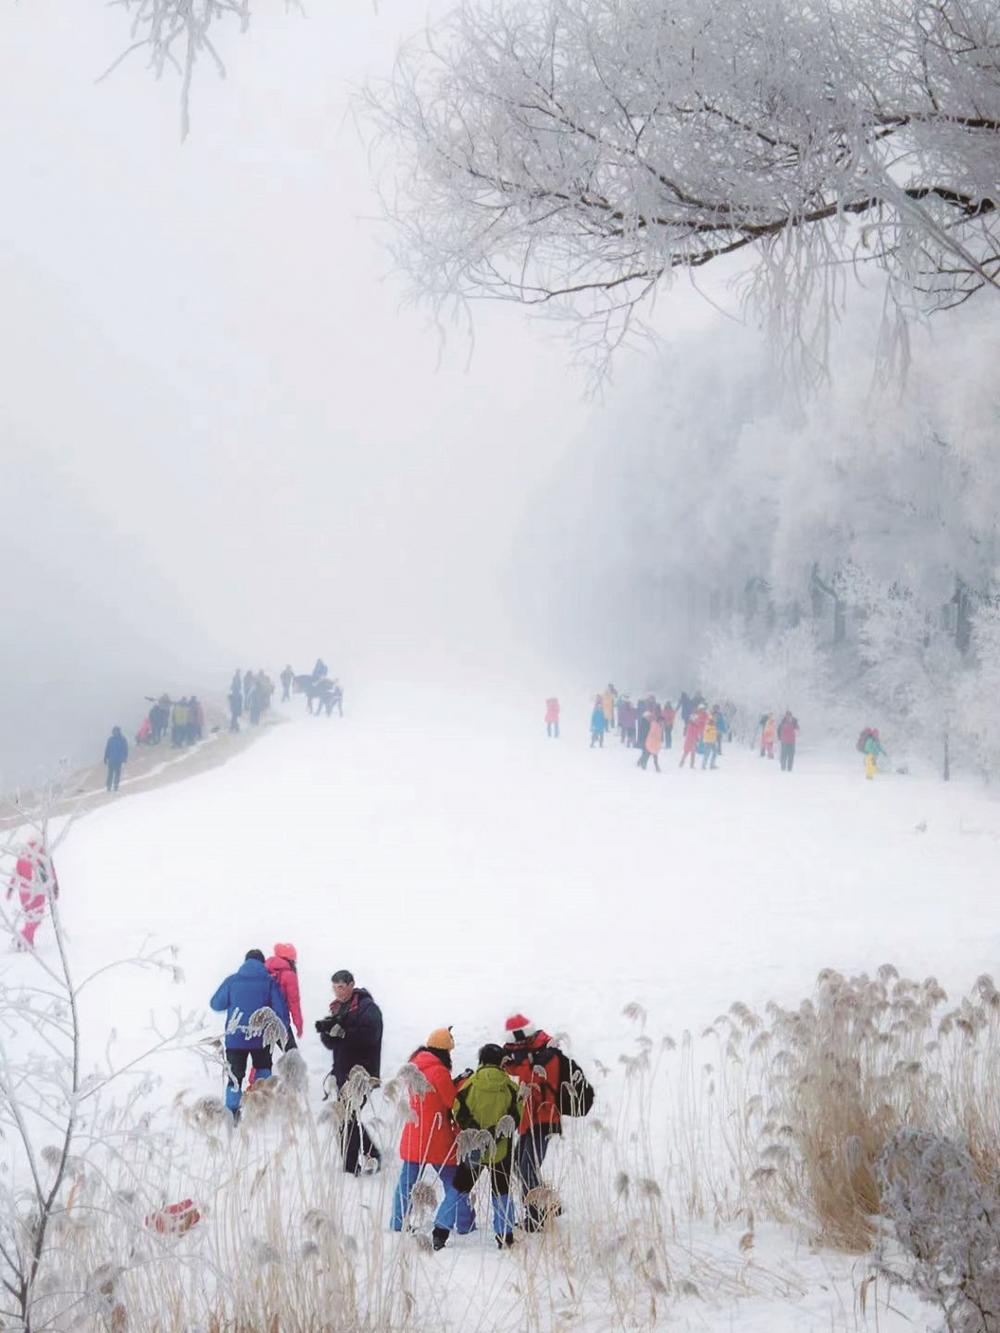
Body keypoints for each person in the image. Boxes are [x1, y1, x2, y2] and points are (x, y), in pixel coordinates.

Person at [390, 1027, 475, 1240]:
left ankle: (397, 1222)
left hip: (414, 1133)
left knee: (406, 1184)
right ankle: (465, 1224)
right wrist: (461, 1082)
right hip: (438, 1137)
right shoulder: (439, 1071)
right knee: (454, 1182)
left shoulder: (415, 1066)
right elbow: (450, 1101)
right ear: (445, 1051)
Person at [434, 1044, 520, 1251]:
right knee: (502, 1192)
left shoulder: (468, 1085)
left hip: (473, 1148)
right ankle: (504, 1236)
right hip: (501, 1151)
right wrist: (494, 1135)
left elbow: (457, 1110)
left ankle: (440, 1232)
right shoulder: (511, 1087)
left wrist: (476, 1133)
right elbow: (516, 1117)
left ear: (481, 1060)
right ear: (501, 1061)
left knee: (459, 1189)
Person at [209, 949, 290, 1123]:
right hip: (261, 1038)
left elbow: (216, 1004)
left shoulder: (232, 981)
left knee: (235, 1076)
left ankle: (232, 1113)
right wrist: (281, 1031)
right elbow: (280, 1012)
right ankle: (260, 1106)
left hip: (235, 1037)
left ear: (245, 962)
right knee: (263, 1069)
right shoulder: (269, 982)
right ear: (263, 964)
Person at [316, 969, 383, 1173]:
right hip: (342, 1073)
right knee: (346, 1118)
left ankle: (354, 1164)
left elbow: (371, 1035)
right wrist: (328, 1032)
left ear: (351, 985)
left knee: (346, 1118)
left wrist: (344, 1032)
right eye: (335, 987)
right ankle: (365, 1159)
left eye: (341, 987)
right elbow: (331, 1044)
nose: (338, 991)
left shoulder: (367, 1007)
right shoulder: (339, 1008)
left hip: (362, 1074)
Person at [501, 1015, 565, 1232]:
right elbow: (516, 1073)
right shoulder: (531, 1052)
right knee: (520, 1164)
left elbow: (534, 1080)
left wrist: (521, 1062)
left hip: (544, 1119)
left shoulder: (548, 1053)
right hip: (530, 1119)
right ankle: (549, 1203)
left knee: (527, 1165)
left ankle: (536, 1217)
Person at [7, 840, 58, 949]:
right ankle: (21, 938)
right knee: (36, 918)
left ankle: (28, 942)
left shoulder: (23, 854)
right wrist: (55, 888)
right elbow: (50, 871)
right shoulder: (42, 853)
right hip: (37, 892)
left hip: (24, 892)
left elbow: (16, 874)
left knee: (30, 918)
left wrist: (10, 890)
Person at [104, 725, 129, 792]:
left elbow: (125, 750)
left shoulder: (123, 740)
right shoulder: (110, 740)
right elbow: (107, 749)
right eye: (114, 731)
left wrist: (124, 758)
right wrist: (105, 757)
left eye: (116, 731)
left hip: (118, 760)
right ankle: (108, 786)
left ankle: (116, 785)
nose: (115, 732)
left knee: (117, 774)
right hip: (111, 760)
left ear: (119, 732)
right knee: (110, 774)